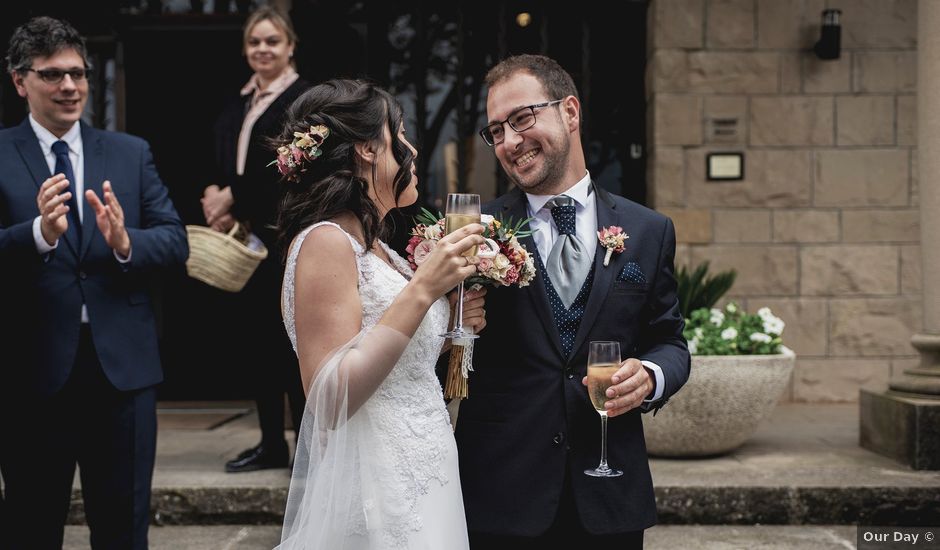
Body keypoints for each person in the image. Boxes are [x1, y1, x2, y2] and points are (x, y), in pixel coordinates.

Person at [454, 54, 691, 548]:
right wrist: (452, 328)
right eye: (495, 131)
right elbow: (439, 357)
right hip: (501, 492)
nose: (509, 142)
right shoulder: (474, 233)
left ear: (570, 112)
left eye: (521, 119)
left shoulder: (649, 230)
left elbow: (670, 341)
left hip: (609, 496)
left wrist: (650, 376)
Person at [0, 16, 188, 550]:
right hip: (31, 376)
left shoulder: (130, 152)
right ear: (20, 81)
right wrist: (37, 233)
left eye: (79, 74)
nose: (70, 87)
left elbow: (176, 242)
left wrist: (126, 243)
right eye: (53, 75)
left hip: (122, 377)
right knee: (30, 527)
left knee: (124, 531)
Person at [273, 79, 486, 549]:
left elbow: (397, 359)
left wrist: (453, 324)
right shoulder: (325, 243)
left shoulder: (384, 252)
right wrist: (425, 287)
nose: (410, 147)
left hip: (428, 470)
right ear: (368, 148)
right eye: (401, 134)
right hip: (376, 488)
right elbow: (328, 399)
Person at [200, 6, 311, 473]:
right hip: (249, 241)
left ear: (290, 47)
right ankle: (271, 444)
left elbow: (288, 166)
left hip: (287, 237)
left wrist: (232, 197)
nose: (262, 49)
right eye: (254, 42)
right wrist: (211, 193)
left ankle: (309, 448)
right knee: (258, 345)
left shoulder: (305, 99)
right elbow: (223, 159)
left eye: (271, 41)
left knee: (293, 344)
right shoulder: (240, 101)